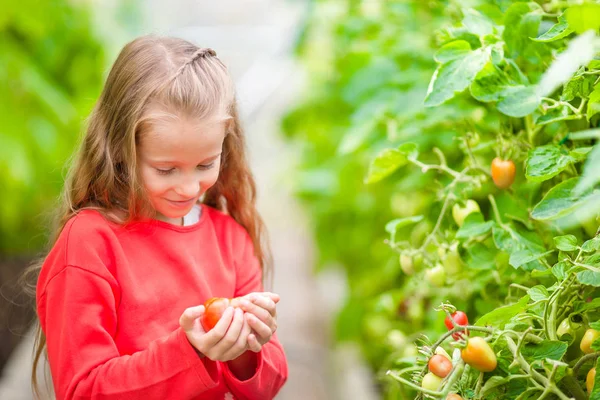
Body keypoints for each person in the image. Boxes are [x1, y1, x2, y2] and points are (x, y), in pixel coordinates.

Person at [27, 35, 288, 400]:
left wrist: (245, 344)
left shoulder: (230, 240)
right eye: (166, 169)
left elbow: (268, 383)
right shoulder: (90, 243)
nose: (188, 187)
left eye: (205, 164)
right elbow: (82, 390)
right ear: (120, 149)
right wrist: (187, 351)